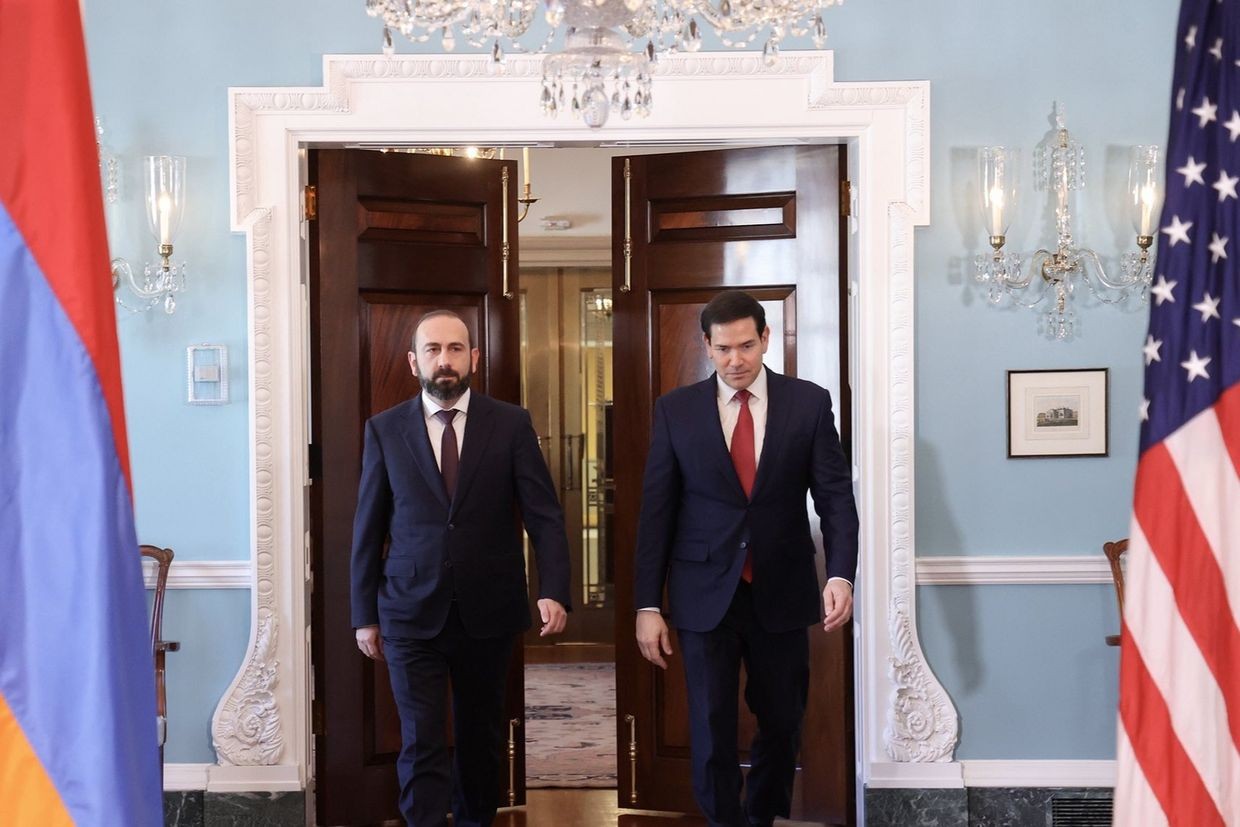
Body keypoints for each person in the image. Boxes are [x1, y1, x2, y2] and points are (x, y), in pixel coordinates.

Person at [634, 291, 859, 827]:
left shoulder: (808, 403)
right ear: (706, 347)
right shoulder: (675, 410)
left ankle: (762, 818)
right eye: (723, 348)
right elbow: (656, 512)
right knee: (710, 727)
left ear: (765, 339)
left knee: (782, 722)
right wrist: (647, 604)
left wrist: (842, 574)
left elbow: (834, 498)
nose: (735, 360)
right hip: (703, 593)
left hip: (781, 588)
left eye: (746, 346)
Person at [351, 309, 571, 827]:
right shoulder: (384, 430)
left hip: (489, 611)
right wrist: (363, 613)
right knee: (421, 742)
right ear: (414, 362)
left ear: (473, 357)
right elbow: (368, 526)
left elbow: (544, 514)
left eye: (455, 349)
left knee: (480, 743)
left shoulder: (511, 423)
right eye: (433, 350)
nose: (444, 360)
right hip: (408, 611)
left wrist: (555, 589)